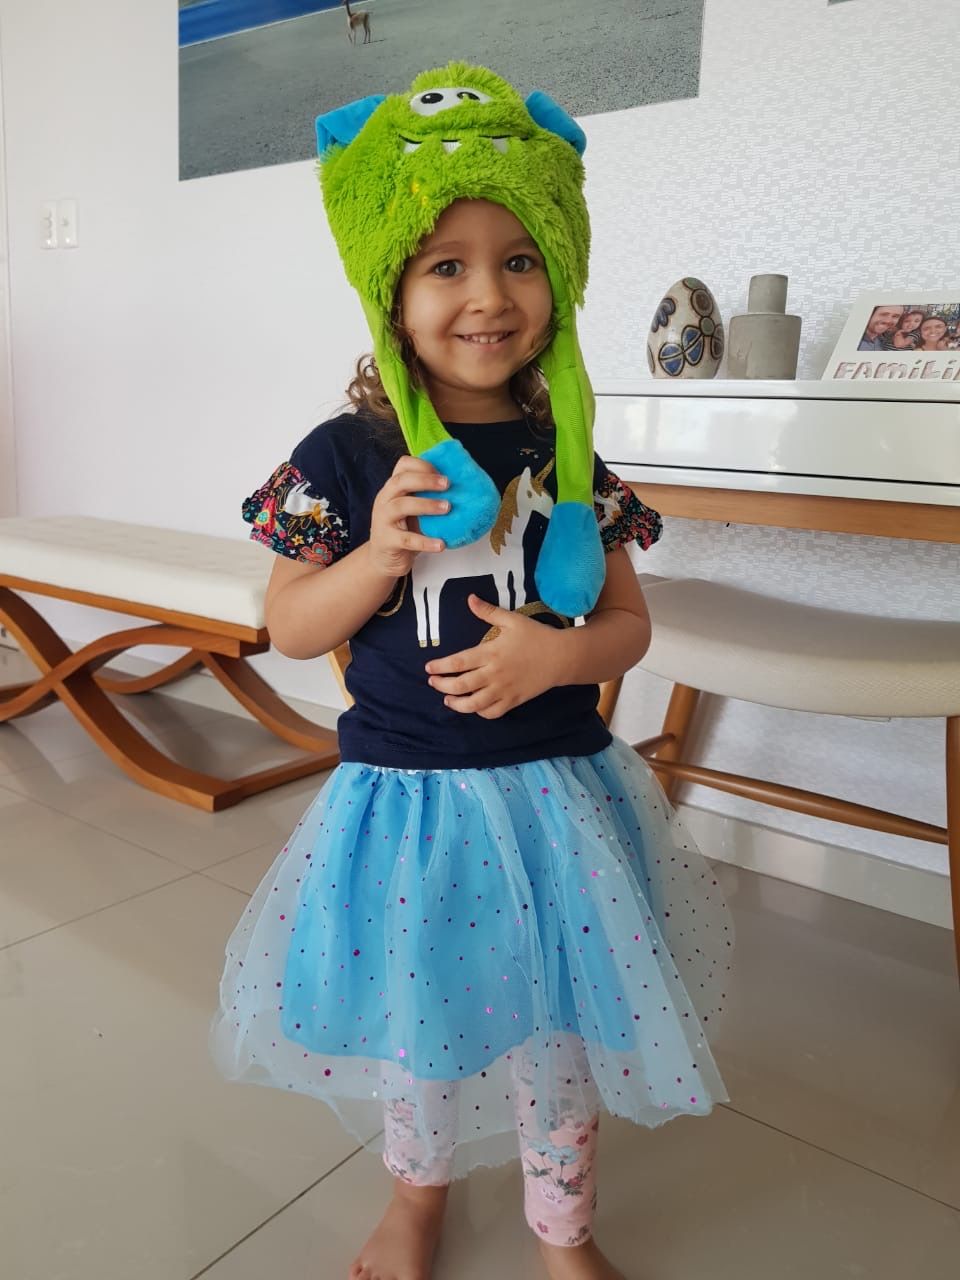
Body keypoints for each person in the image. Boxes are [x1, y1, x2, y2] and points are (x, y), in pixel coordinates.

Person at [212, 63, 732, 1280]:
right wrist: (376, 555)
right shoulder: (348, 455)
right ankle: (416, 1197)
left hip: (559, 798)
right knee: (423, 1028)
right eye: (446, 264)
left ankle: (565, 1229)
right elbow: (289, 627)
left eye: (521, 259)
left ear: (560, 277)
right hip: (409, 805)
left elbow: (628, 625)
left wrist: (561, 652)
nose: (489, 295)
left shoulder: (569, 453)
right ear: (390, 290)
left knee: (562, 1038)